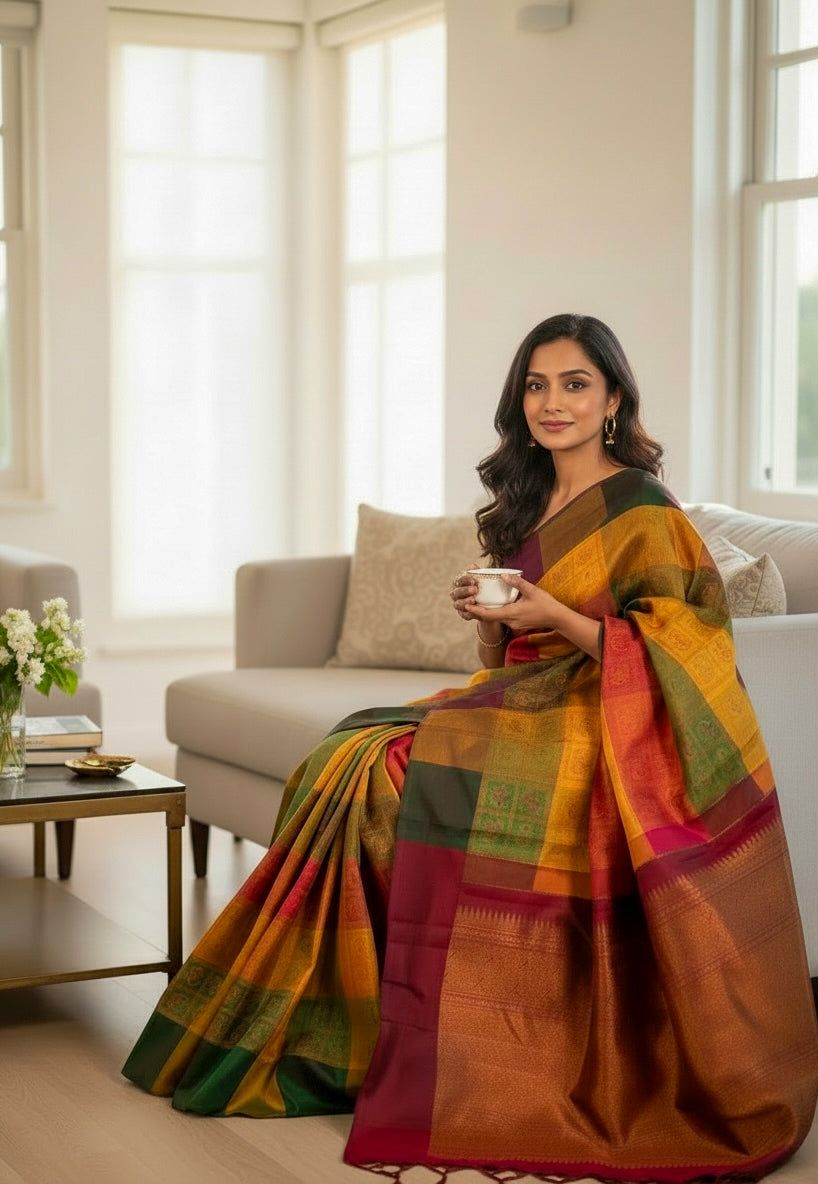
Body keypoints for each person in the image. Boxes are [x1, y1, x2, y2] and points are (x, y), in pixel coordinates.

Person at [124, 314, 818, 1183]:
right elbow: (507, 659)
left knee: (404, 773)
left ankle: (444, 1042)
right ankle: (357, 1030)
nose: (552, 402)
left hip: (600, 716)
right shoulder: (529, 502)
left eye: (574, 384)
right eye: (536, 384)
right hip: (520, 695)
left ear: (612, 399)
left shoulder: (643, 508)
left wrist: (554, 616)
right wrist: (493, 625)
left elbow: (688, 650)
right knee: (350, 756)